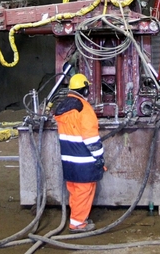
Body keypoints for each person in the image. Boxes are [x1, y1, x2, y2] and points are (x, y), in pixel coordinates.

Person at [53, 73, 105, 233]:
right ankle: (77, 224)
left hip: (68, 161)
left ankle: (78, 217)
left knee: (75, 191)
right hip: (84, 161)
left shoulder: (62, 108)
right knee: (84, 191)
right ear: (86, 90)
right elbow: (91, 140)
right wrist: (100, 158)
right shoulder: (85, 109)